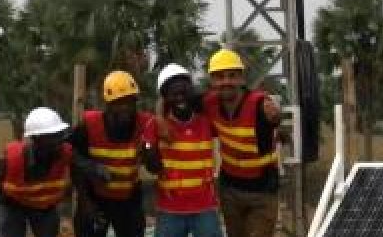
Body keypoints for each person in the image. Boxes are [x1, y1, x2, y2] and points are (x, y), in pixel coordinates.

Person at [0, 107, 100, 237]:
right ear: (36, 139)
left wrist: (98, 170)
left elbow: (83, 164)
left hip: (44, 207)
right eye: (53, 137)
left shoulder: (64, 152)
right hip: (11, 205)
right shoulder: (13, 159)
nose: (59, 142)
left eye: (60, 136)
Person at [203, 49, 283, 237]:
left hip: (262, 192)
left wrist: (275, 117)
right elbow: (170, 97)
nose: (226, 82)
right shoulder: (210, 103)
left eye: (232, 76)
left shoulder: (259, 103)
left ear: (241, 78)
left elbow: (273, 117)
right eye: (220, 77)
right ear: (212, 81)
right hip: (230, 190)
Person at [70, 70, 153, 237]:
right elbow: (73, 160)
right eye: (119, 102)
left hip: (129, 199)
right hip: (95, 198)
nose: (126, 108)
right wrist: (86, 203)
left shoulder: (146, 123)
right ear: (107, 104)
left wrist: (149, 150)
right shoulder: (89, 125)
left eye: (130, 102)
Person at [143, 64, 222, 237]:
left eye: (184, 92)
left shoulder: (206, 121)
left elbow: (217, 97)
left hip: (204, 207)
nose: (180, 98)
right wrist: (149, 148)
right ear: (165, 97)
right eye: (174, 94)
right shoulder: (155, 125)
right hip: (170, 209)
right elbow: (151, 162)